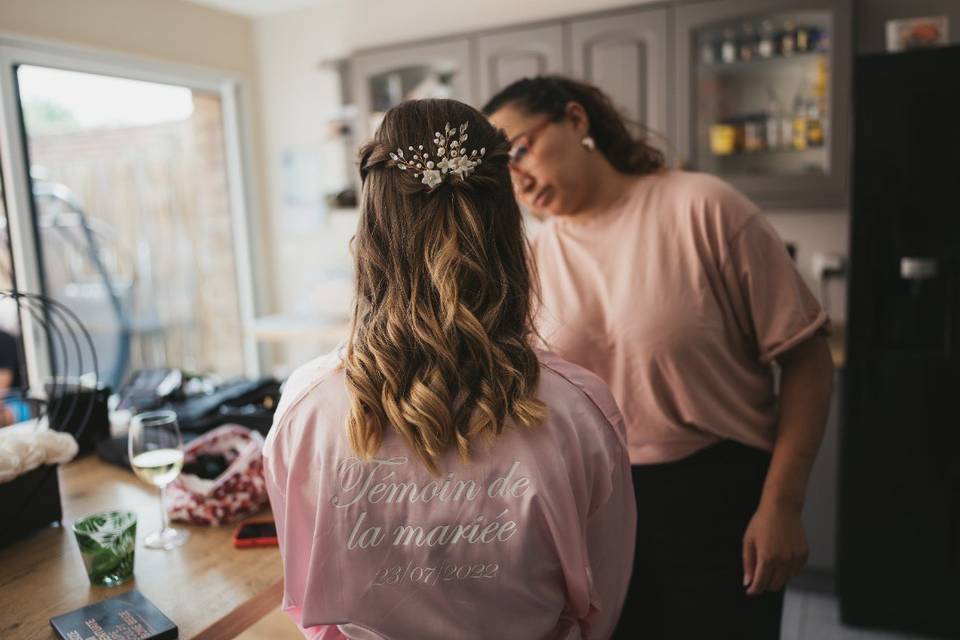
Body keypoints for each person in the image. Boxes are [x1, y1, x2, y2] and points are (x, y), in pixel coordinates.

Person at [262, 98, 636, 640]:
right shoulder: (580, 412)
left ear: (371, 234)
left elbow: (308, 602)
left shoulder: (305, 410)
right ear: (508, 228)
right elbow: (600, 601)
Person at [484, 76, 834, 639]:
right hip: (595, 502)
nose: (517, 178)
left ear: (576, 121)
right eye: (502, 169)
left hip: (720, 494)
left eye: (519, 149)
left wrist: (784, 505)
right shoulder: (531, 261)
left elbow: (808, 359)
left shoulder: (703, 207)